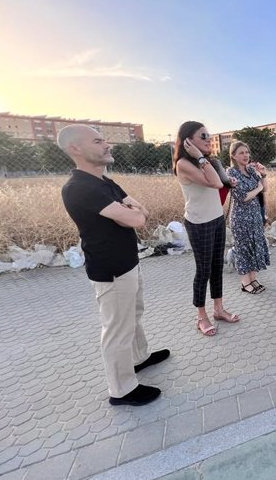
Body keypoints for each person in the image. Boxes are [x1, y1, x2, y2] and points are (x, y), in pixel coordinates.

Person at [57, 124, 169, 406]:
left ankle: (138, 358)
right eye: (98, 141)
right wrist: (129, 213)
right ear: (75, 149)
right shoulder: (79, 187)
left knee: (133, 314)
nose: (107, 145)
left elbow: (140, 210)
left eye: (105, 140)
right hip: (111, 270)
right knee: (117, 328)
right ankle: (122, 389)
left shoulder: (104, 182)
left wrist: (128, 212)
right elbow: (136, 219)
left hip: (128, 262)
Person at [173, 121, 240, 336]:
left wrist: (212, 165)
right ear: (188, 141)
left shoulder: (207, 161)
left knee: (216, 266)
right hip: (199, 222)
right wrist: (202, 159)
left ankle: (218, 309)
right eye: (203, 136)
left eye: (209, 135)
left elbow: (221, 181)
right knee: (203, 271)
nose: (208, 139)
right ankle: (201, 316)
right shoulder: (183, 163)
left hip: (216, 219)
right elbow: (215, 183)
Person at [227, 141, 271, 293]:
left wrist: (263, 174)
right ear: (233, 155)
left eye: (246, 152)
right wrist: (258, 187)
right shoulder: (231, 173)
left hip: (254, 216)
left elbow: (265, 188)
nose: (245, 155)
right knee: (244, 249)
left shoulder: (251, 170)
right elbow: (242, 197)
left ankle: (253, 279)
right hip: (240, 217)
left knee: (256, 246)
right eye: (241, 153)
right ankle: (245, 283)